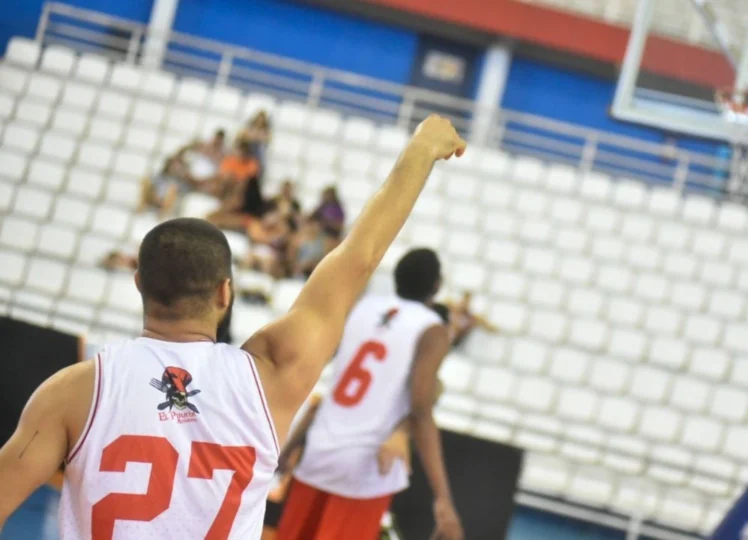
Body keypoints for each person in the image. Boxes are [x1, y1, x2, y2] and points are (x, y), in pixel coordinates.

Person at [0, 115, 467, 538]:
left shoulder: (72, 390)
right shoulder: (269, 377)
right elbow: (357, 259)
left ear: (139, 283)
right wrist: (421, 150)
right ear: (225, 293)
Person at [275, 248, 463, 540]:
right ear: (436, 286)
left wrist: (289, 447)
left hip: (319, 451)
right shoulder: (432, 329)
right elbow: (421, 410)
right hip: (366, 465)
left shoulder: (363, 307)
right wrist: (444, 499)